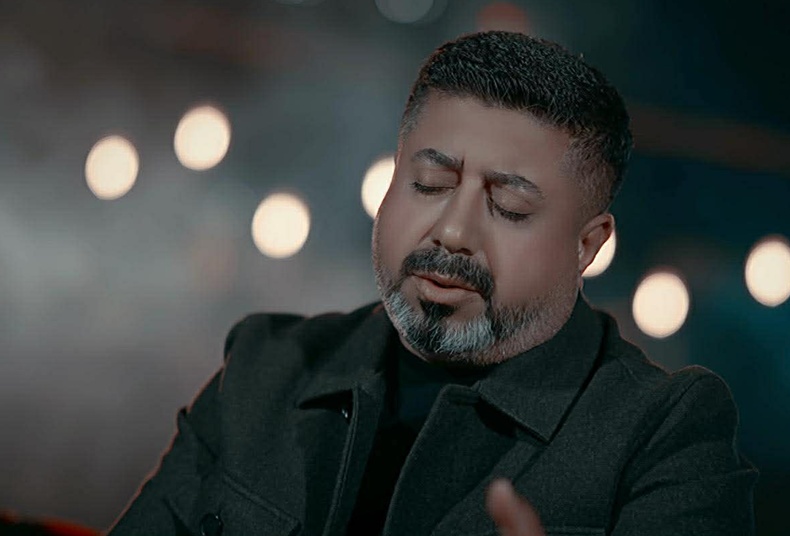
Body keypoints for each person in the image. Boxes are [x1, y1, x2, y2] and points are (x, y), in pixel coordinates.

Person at [108, 31, 757, 536]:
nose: (452, 231)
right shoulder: (265, 367)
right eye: (430, 184)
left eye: (509, 206)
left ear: (587, 246)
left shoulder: (662, 435)